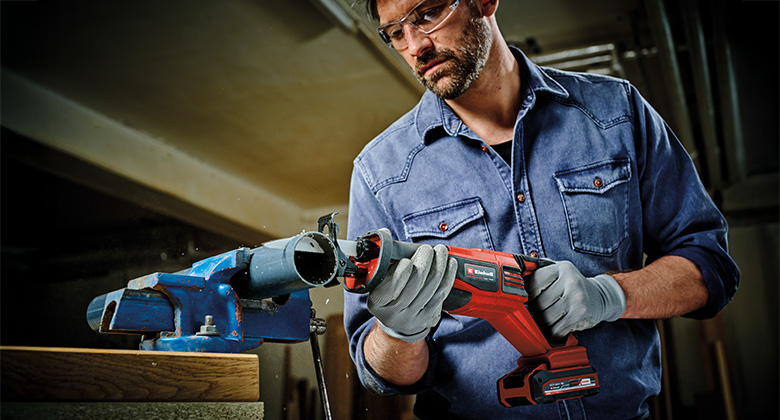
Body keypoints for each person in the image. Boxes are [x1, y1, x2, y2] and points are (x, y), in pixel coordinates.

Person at [343, 0, 740, 419]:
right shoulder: (381, 173)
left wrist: (611, 295)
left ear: (484, 3)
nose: (415, 46)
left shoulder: (616, 113)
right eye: (396, 33)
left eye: (427, 13)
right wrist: (399, 331)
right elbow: (379, 374)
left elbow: (710, 265)